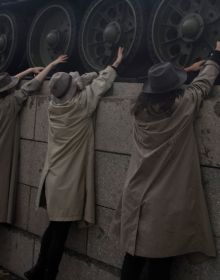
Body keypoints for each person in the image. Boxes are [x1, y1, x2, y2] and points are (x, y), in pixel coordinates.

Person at [110, 42, 220, 280]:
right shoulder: (184, 106)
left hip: (136, 197)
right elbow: (203, 85)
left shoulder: (138, 113)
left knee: (132, 259)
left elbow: (161, 92)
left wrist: (185, 70)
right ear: (175, 90)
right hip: (164, 207)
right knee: (159, 268)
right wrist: (215, 56)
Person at [24, 47, 124, 280]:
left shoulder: (52, 107)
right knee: (60, 232)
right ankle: (49, 273)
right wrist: (116, 62)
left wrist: (75, 82)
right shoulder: (81, 105)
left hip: (52, 179)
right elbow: (101, 83)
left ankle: (38, 268)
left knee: (52, 227)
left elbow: (74, 86)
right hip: (68, 183)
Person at [0, 55, 67, 225]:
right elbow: (33, 85)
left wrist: (28, 70)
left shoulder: (7, 101)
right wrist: (51, 64)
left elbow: (12, 81)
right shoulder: (11, 103)